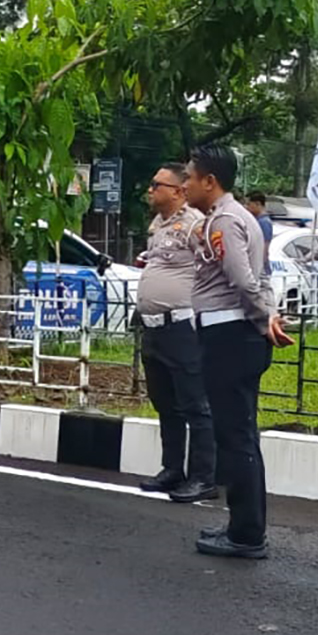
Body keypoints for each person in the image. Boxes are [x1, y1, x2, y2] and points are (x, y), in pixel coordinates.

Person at [184, 144, 293, 559]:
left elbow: (244, 281)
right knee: (240, 434)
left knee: (235, 437)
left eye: (190, 178)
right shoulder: (233, 217)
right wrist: (268, 316)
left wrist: (264, 318)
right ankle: (242, 525)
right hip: (235, 333)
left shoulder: (226, 221)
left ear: (210, 181)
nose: (185, 185)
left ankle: (246, 535)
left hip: (229, 334)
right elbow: (258, 279)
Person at [135, 164, 216, 504]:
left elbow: (213, 267)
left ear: (178, 191)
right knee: (166, 404)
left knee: (195, 404)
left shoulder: (196, 225)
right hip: (154, 329)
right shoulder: (158, 224)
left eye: (157, 185)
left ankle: (203, 476)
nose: (150, 190)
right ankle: (172, 468)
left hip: (182, 327)